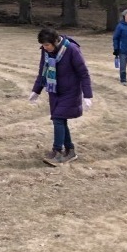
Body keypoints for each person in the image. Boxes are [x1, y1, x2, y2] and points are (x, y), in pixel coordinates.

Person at [30, 28, 93, 165]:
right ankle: (70, 151)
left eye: (47, 45)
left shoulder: (72, 50)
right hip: (54, 90)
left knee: (58, 119)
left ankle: (57, 152)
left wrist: (87, 95)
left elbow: (84, 73)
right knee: (61, 121)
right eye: (43, 45)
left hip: (70, 91)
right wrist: (36, 90)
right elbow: (43, 71)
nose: (45, 48)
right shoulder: (46, 51)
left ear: (55, 42)